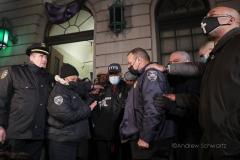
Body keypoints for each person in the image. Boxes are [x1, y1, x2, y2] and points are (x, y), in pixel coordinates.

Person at [146, 7, 240, 160]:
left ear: (231, 20)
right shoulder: (218, 54)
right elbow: (209, 98)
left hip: (232, 144)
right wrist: (177, 98)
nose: (206, 19)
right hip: (212, 142)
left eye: (212, 15)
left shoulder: (236, 44)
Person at [0, 43, 54, 160]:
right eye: (41, 56)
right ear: (31, 57)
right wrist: (0, 126)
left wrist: (90, 87)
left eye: (46, 57)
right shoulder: (15, 71)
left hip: (37, 135)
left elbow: (69, 83)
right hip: (17, 132)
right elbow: (1, 99)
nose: (44, 59)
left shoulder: (48, 78)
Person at [119, 48, 174, 160]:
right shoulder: (141, 77)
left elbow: (153, 107)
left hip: (151, 140)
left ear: (139, 59)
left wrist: (145, 137)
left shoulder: (151, 75)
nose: (129, 66)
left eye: (130, 63)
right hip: (143, 136)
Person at [154, 51, 202, 160]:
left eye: (175, 61)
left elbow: (197, 109)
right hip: (172, 134)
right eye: (170, 62)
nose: (172, 65)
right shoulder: (170, 80)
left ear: (187, 62)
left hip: (190, 136)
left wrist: (172, 106)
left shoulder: (196, 81)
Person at [46, 63, 97, 160]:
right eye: (72, 79)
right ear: (64, 78)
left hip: (72, 139)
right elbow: (67, 115)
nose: (75, 82)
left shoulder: (70, 90)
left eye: (76, 79)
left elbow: (79, 107)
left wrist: (91, 96)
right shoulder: (59, 93)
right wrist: (88, 109)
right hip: (62, 142)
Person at [91, 63, 128, 160]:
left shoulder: (126, 88)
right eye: (111, 74)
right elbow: (95, 108)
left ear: (120, 74)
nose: (113, 77)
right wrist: (98, 124)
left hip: (120, 135)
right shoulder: (102, 89)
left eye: (115, 74)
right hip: (102, 135)